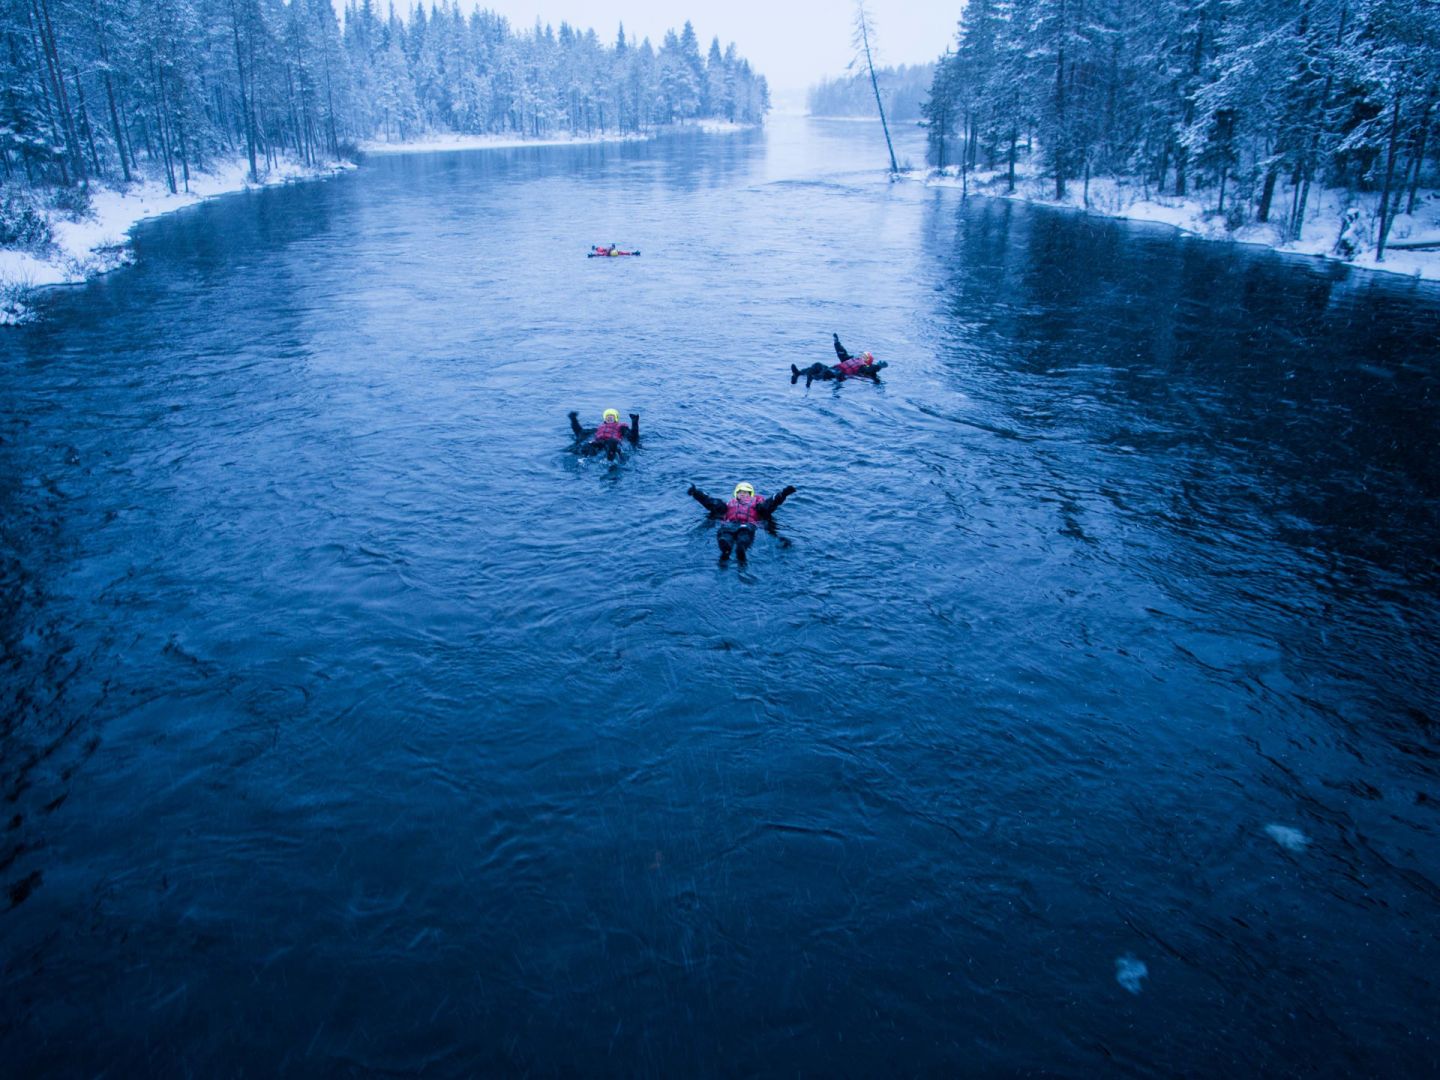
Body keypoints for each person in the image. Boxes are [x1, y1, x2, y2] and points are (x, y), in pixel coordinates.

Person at [687, 481, 797, 563]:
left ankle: (741, 548)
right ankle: (726, 548)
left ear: (751, 494)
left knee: (744, 535)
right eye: (740, 492)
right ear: (736, 494)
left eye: (746, 493)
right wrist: (695, 493)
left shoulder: (757, 505)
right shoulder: (728, 505)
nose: (743, 494)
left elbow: (770, 503)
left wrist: (784, 493)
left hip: (748, 525)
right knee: (725, 535)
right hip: (729, 524)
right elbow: (710, 502)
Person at [791, 333, 888, 385]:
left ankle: (811, 377)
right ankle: (798, 373)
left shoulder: (863, 368)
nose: (861, 356)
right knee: (817, 365)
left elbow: (870, 370)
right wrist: (837, 343)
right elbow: (842, 353)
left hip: (838, 374)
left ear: (867, 361)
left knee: (826, 373)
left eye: (864, 356)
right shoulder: (852, 359)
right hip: (834, 368)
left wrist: (879, 366)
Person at [569, 408, 640, 460]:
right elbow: (580, 433)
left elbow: (633, 437)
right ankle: (583, 457)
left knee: (612, 442)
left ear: (616, 418)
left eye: (611, 417)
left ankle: (611, 458)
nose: (609, 418)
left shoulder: (622, 427)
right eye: (607, 417)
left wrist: (634, 422)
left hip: (611, 443)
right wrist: (573, 420)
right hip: (598, 443)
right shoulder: (598, 429)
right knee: (586, 446)